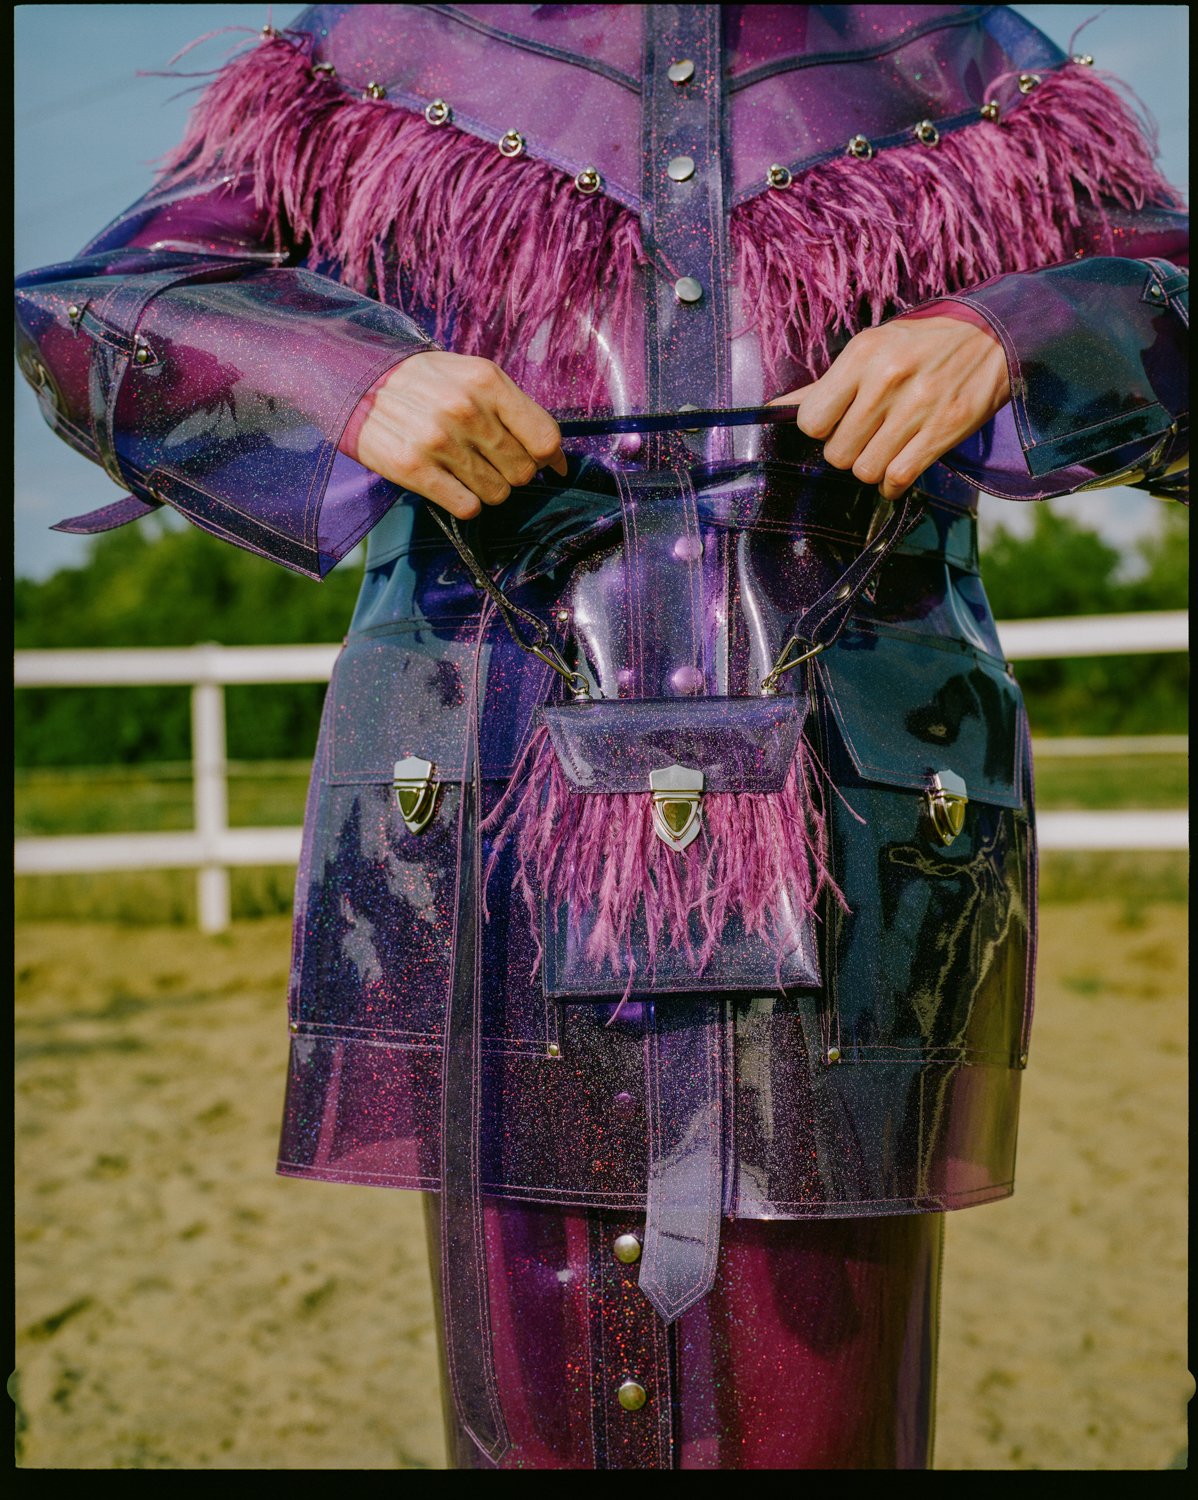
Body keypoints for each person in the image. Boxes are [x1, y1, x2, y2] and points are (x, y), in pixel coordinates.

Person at [14, 4, 1187, 1471]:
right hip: (490, 806)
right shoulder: (381, 47)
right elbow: (103, 303)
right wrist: (350, 377)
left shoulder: (950, 59)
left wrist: (1011, 331)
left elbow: (1174, 301)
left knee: (824, 1384)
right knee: (530, 1394)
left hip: (860, 827)